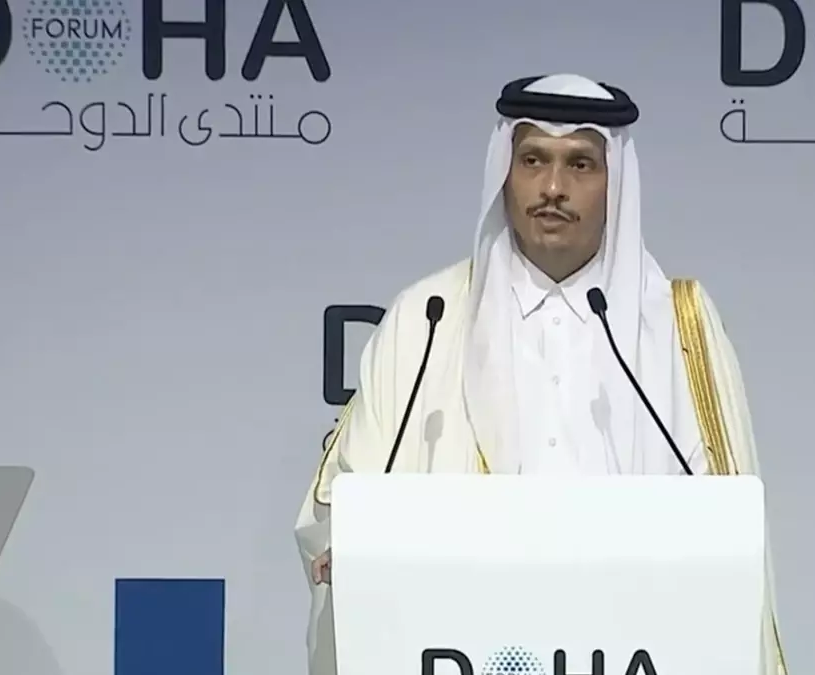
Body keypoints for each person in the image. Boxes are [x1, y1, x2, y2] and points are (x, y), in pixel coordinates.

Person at [294, 73, 787, 675]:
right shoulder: (427, 319)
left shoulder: (679, 325)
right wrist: (347, 544)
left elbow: (726, 524)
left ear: (616, 181)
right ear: (504, 171)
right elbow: (346, 501)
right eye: (533, 160)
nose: (553, 188)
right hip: (457, 643)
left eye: (580, 164)